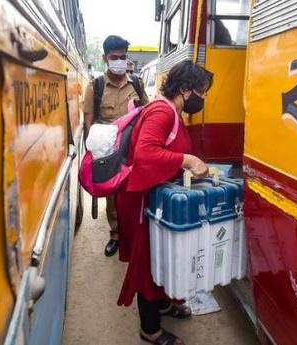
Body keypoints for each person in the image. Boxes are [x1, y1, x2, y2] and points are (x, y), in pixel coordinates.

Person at [115, 60, 213, 345]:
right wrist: (189, 160)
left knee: (162, 255)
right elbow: (146, 155)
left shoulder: (172, 111)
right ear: (184, 89)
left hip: (154, 198)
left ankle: (163, 305)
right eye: (201, 91)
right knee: (148, 263)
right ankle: (150, 329)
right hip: (141, 201)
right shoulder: (161, 111)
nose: (202, 98)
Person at [83, 35, 149, 257]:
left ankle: (134, 233)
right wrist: (92, 153)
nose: (119, 61)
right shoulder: (96, 86)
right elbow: (89, 121)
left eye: (123, 57)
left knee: (133, 191)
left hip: (133, 148)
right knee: (113, 194)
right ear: (105, 58)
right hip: (109, 150)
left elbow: (147, 113)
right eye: (115, 57)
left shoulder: (137, 84)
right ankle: (115, 235)